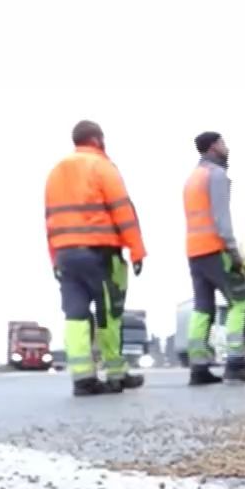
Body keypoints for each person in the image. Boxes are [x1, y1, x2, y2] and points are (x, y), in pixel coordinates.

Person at [44, 120, 147, 396]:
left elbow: (50, 221)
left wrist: (55, 258)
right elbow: (122, 211)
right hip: (99, 253)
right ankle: (115, 373)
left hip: (66, 255)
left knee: (75, 315)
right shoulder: (102, 166)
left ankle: (83, 378)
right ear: (98, 139)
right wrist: (137, 250)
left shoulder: (56, 172)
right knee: (109, 313)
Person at [182, 132, 245, 386]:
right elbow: (221, 219)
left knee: (202, 308)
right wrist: (234, 251)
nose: (227, 147)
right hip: (216, 250)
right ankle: (236, 364)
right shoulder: (215, 175)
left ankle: (198, 368)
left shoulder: (192, 178)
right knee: (240, 303)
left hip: (195, 252)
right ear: (215, 146)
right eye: (224, 143)